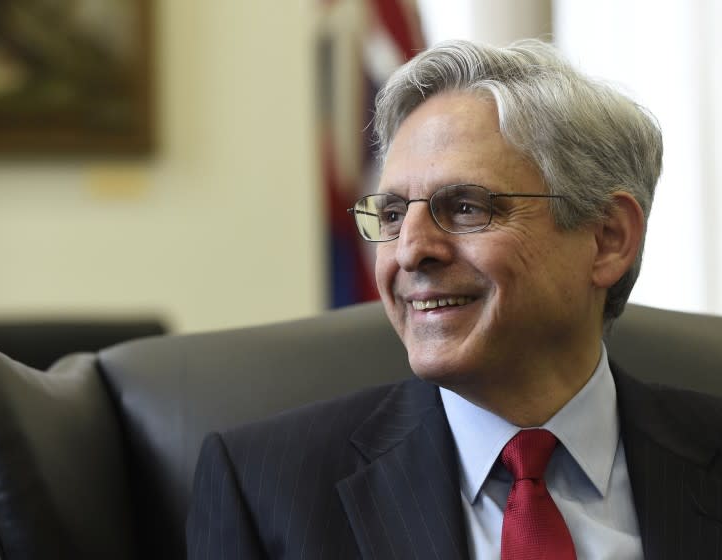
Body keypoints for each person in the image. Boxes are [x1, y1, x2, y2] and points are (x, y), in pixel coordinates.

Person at [186, 39, 722, 559]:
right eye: (393, 215)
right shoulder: (266, 490)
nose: (410, 252)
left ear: (608, 238)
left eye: (465, 207)